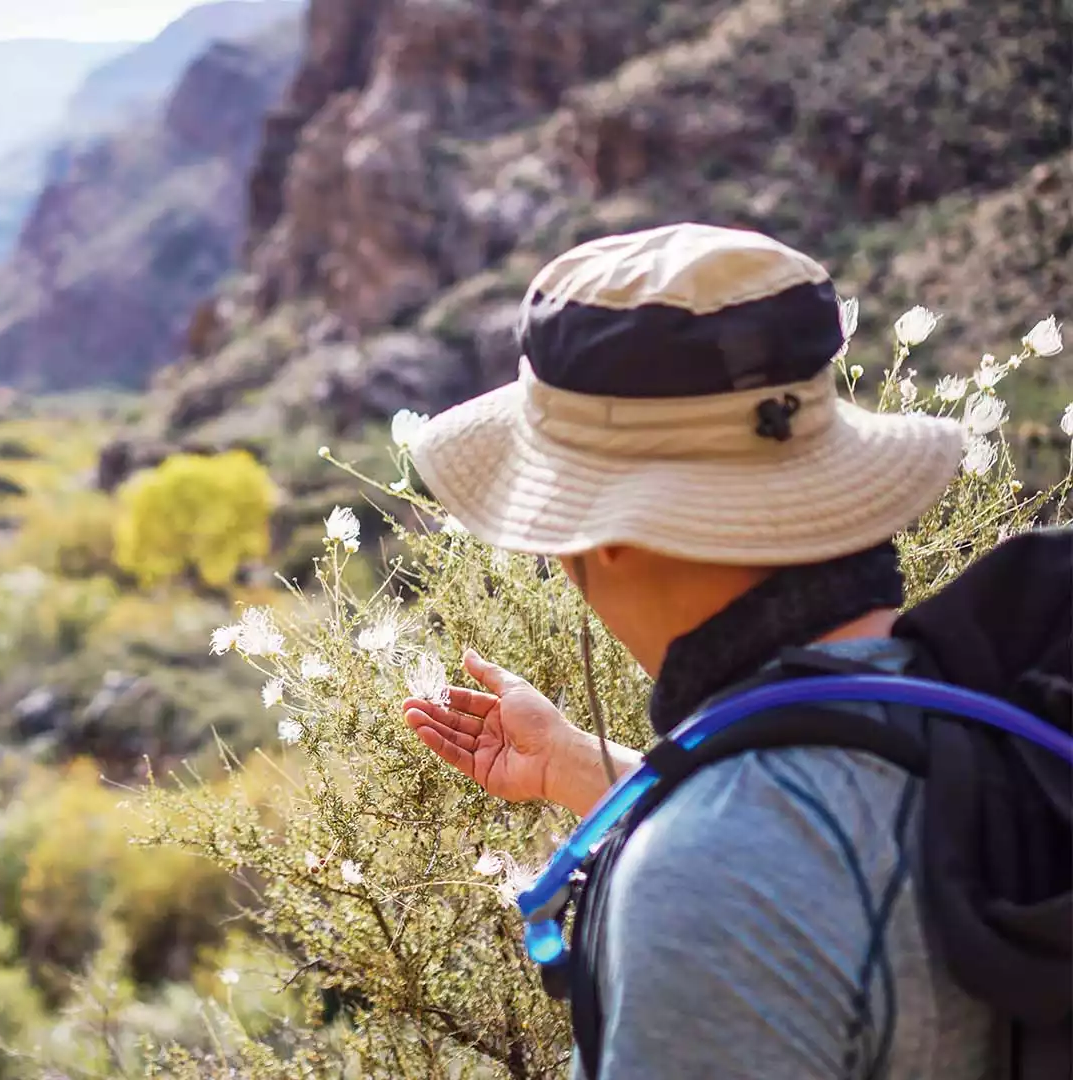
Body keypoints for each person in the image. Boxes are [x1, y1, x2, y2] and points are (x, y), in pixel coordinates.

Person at [393, 222, 1069, 1078]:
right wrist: (578, 767)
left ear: (599, 536)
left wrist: (679, 842)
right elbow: (839, 838)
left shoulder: (705, 887)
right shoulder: (989, 696)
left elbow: (767, 867)